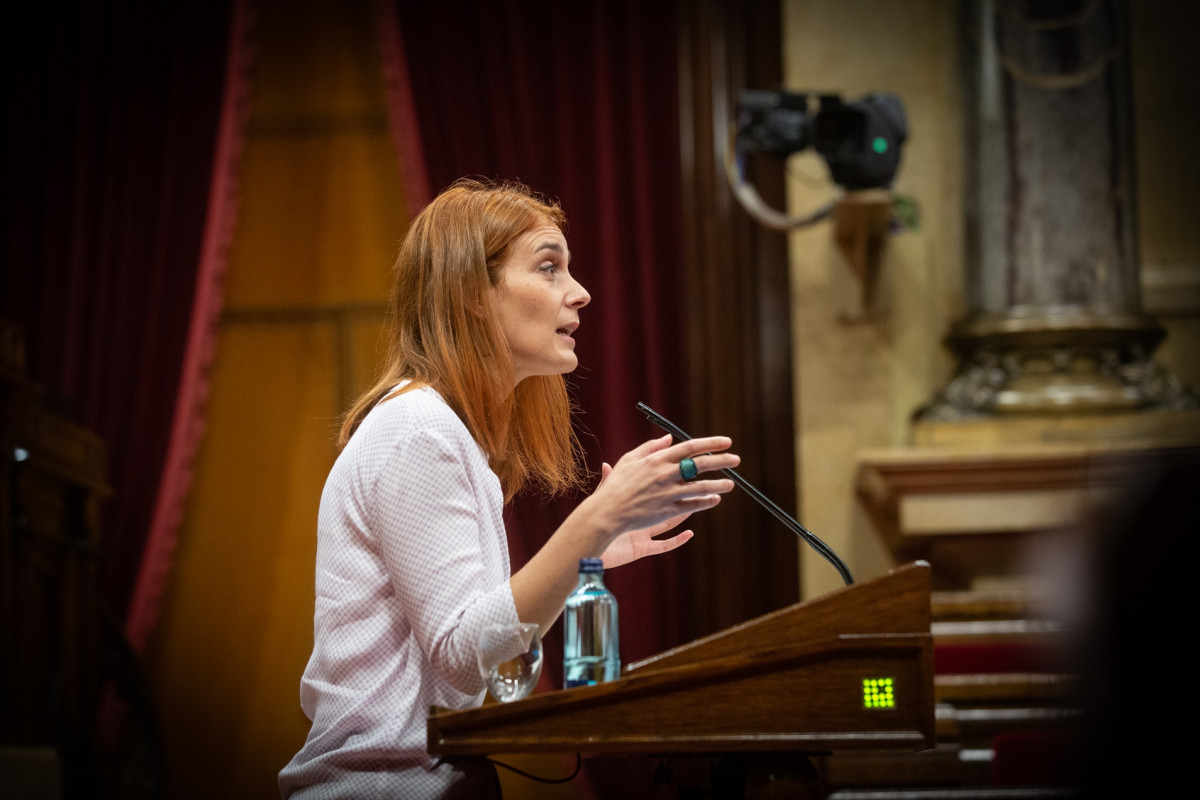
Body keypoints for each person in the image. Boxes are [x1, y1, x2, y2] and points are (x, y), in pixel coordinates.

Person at [278, 178, 739, 799]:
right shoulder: (419, 431)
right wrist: (595, 520)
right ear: (471, 291)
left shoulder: (447, 434)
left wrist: (593, 556)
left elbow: (500, 675)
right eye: (548, 267)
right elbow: (468, 659)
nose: (579, 292)